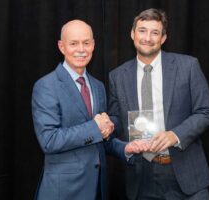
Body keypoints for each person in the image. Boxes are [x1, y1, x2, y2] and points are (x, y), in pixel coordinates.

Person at [108, 8, 209, 200]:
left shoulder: (188, 66)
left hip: (186, 175)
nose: (147, 37)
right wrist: (106, 123)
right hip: (142, 178)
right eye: (142, 30)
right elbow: (117, 119)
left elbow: (206, 112)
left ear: (163, 38)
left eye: (155, 32)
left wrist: (175, 135)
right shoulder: (117, 76)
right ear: (132, 34)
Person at [31, 20, 146, 200]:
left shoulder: (98, 86)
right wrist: (95, 127)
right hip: (63, 192)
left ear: (93, 45)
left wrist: (126, 148)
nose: (81, 49)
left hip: (98, 189)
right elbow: (49, 140)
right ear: (62, 47)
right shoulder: (46, 86)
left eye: (86, 43)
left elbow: (100, 139)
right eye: (73, 43)